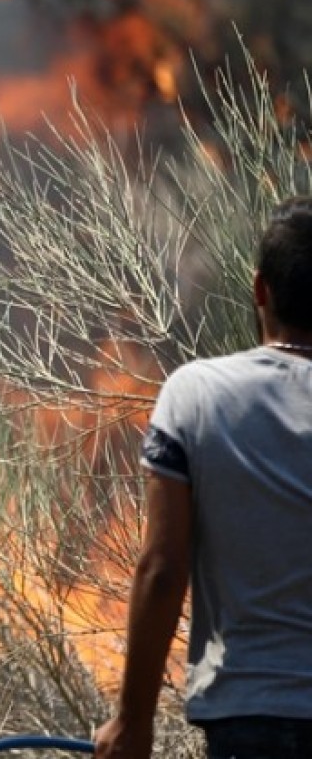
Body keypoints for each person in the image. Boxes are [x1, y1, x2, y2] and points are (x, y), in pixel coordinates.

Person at [95, 195, 312, 759]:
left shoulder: (197, 392)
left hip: (251, 716)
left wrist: (133, 722)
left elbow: (163, 570)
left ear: (260, 289)